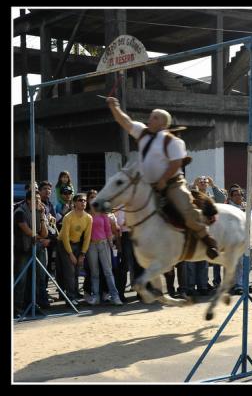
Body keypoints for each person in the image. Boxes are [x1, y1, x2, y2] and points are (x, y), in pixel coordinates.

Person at [106, 97, 219, 260]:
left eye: (154, 117)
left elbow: (176, 163)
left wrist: (164, 180)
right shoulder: (142, 132)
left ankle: (208, 240)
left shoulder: (173, 141)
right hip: (148, 185)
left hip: (172, 184)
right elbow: (125, 122)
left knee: (186, 209)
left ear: (163, 123)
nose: (149, 119)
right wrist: (114, 107)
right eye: (151, 116)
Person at [14, 190, 48, 317]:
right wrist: (42, 238)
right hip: (23, 250)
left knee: (37, 278)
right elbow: (29, 232)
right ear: (28, 200)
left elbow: (44, 233)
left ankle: (34, 304)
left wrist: (43, 216)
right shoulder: (19, 212)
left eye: (39, 198)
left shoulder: (39, 211)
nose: (39, 201)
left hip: (36, 249)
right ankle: (17, 308)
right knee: (21, 280)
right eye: (35, 199)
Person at [56, 193, 92, 305]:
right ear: (75, 203)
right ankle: (70, 298)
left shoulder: (88, 217)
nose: (83, 202)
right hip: (64, 244)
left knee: (77, 271)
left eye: (85, 201)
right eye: (80, 200)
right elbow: (65, 237)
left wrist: (82, 254)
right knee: (69, 271)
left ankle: (74, 294)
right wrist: (70, 254)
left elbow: (87, 237)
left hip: (78, 244)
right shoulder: (68, 217)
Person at [86, 203, 123, 306]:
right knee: (94, 272)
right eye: (92, 197)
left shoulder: (103, 214)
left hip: (103, 243)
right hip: (90, 245)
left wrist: (111, 245)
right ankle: (96, 297)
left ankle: (115, 296)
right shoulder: (86, 214)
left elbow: (108, 230)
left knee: (108, 271)